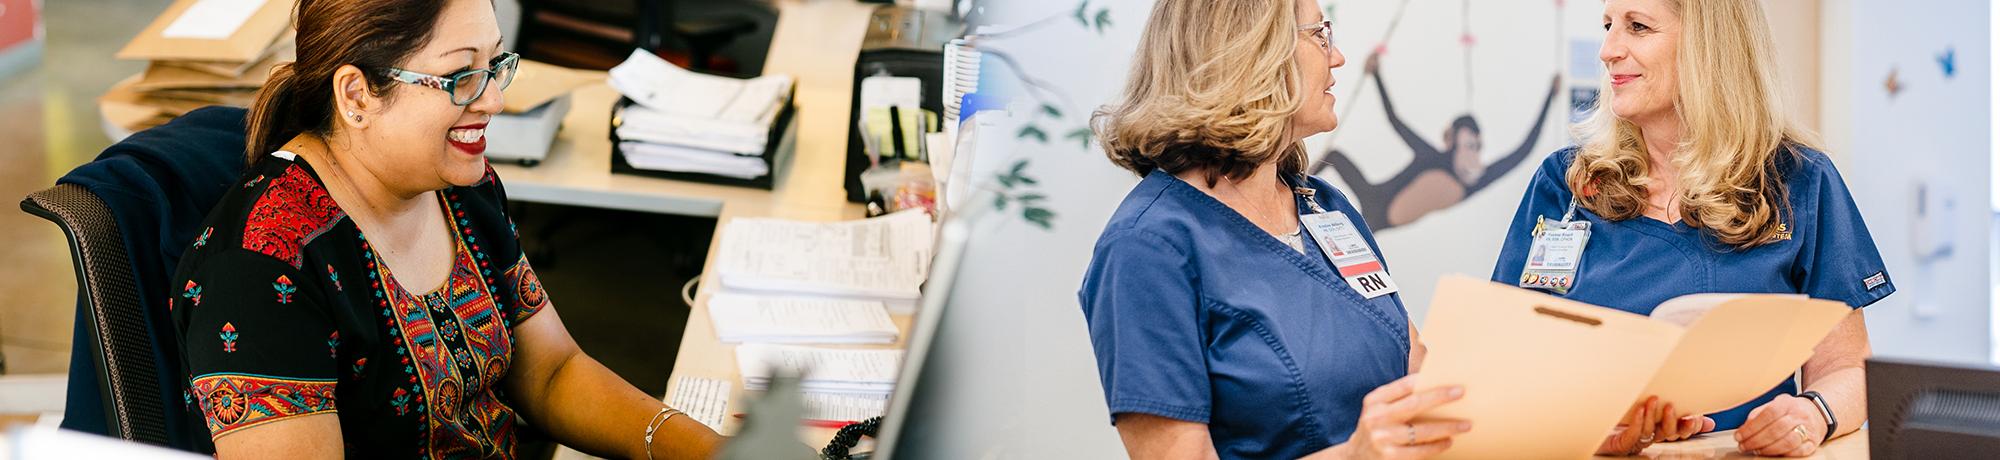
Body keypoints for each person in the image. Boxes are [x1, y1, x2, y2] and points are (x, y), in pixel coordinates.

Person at [168, 0, 725, 457]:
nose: (495, 100)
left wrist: (703, 448)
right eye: (461, 76)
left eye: (495, 66)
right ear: (357, 95)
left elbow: (553, 372)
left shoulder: (463, 187)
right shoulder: (261, 269)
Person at [1491, 0, 1888, 456]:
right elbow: (1504, 365)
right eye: (1608, 26)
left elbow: (1848, 367)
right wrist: (1586, 427)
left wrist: (1811, 414)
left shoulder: (1798, 180)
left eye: (1637, 27)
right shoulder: (1568, 184)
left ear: (1708, 45)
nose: (1608, 49)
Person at [1080, 0, 1469, 458]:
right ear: (1251, 52)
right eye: (1320, 34)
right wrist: (1353, 455)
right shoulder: (1147, 248)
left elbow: (1413, 362)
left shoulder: (1323, 205)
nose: (1337, 55)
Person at [1316, 54, 1561, 230]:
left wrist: (1550, 96)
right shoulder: (1431, 157)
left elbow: (1522, 152)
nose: (1472, 154)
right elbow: (1395, 120)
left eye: (1475, 146)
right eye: (1466, 144)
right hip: (1375, 197)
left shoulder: (1476, 180)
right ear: (1452, 141)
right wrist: (1376, 75)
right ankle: (1290, 186)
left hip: (1380, 220)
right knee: (1334, 156)